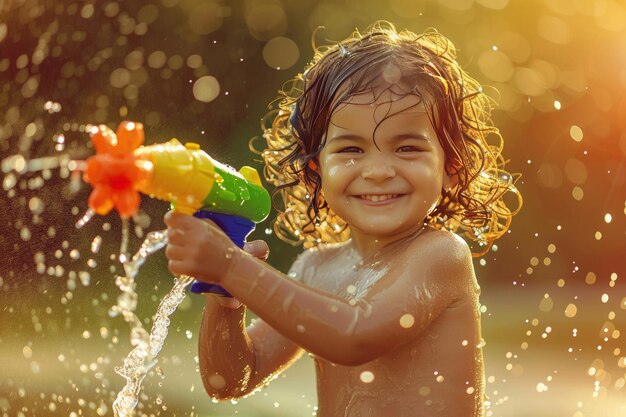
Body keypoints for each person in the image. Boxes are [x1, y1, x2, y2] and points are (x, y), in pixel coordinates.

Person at [164, 21, 521, 417]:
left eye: (406, 147)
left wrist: (231, 266)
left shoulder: (440, 256)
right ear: (317, 170)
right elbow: (230, 382)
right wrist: (226, 298)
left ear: (450, 166)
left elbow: (354, 338)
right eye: (351, 149)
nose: (378, 170)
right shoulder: (316, 269)